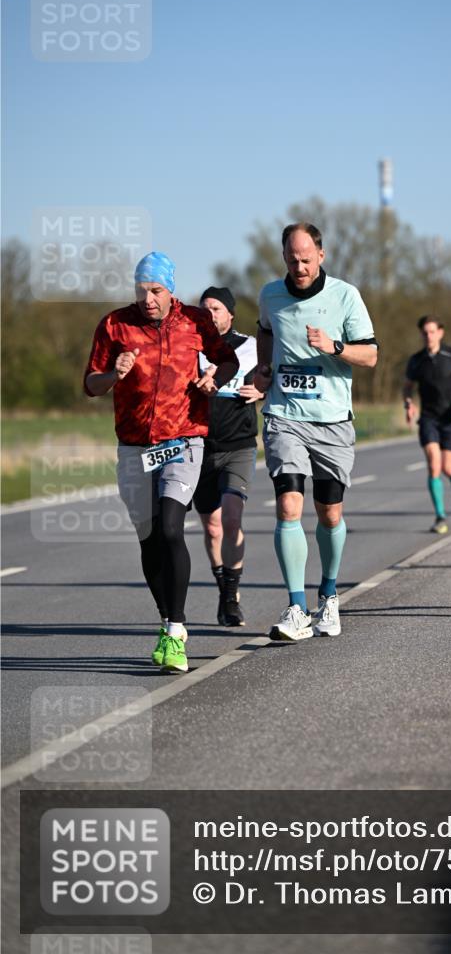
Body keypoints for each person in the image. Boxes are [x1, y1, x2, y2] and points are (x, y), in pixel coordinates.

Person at [84, 252, 239, 672]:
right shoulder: (115, 325)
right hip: (134, 446)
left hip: (183, 438)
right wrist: (114, 374)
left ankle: (176, 628)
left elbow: (228, 359)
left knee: (171, 526)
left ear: (170, 290)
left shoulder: (195, 321)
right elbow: (91, 384)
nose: (148, 299)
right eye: (141, 291)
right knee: (149, 538)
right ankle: (167, 618)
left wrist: (215, 378)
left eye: (155, 291)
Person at [254, 222, 378, 641]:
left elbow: (371, 355)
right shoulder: (271, 295)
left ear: (321, 256)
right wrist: (264, 368)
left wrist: (335, 347)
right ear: (283, 258)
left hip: (332, 420)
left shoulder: (345, 296)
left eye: (306, 260)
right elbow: (265, 330)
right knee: (289, 505)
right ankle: (296, 607)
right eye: (292, 260)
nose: (300, 267)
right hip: (284, 415)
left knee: (330, 513)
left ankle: (328, 594)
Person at [194, 286, 264, 626]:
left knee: (232, 518)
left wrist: (263, 389)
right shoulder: (191, 347)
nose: (209, 314)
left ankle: (232, 597)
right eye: (204, 308)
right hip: (199, 447)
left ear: (230, 314)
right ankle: (224, 589)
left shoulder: (252, 347)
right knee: (212, 527)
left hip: (239, 445)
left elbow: (277, 375)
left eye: (216, 308)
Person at [403, 316, 451, 535]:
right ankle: (440, 516)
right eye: (425, 333)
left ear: (440, 332)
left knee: (447, 468)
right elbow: (407, 387)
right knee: (434, 465)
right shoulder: (416, 360)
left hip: (450, 418)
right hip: (429, 419)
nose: (428, 336)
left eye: (432, 332)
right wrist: (408, 404)